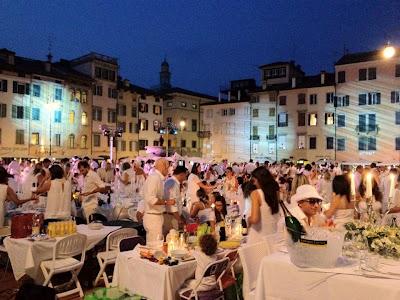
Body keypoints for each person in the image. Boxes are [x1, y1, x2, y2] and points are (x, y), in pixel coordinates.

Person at [142, 158, 175, 244]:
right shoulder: (155, 178)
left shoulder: (157, 178)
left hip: (155, 216)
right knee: (154, 247)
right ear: (163, 167)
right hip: (153, 217)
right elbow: (151, 199)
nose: (168, 170)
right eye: (168, 167)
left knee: (156, 245)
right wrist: (166, 202)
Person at [246, 167, 280, 245]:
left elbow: (255, 219)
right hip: (272, 236)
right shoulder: (275, 193)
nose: (254, 183)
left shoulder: (256, 193)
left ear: (260, 180)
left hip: (258, 237)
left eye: (254, 180)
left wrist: (248, 219)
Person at [163, 166, 187, 233]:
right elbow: (172, 204)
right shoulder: (172, 183)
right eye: (185, 175)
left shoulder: (171, 182)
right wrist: (179, 219)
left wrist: (181, 216)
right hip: (171, 217)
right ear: (182, 174)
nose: (185, 178)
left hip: (172, 216)